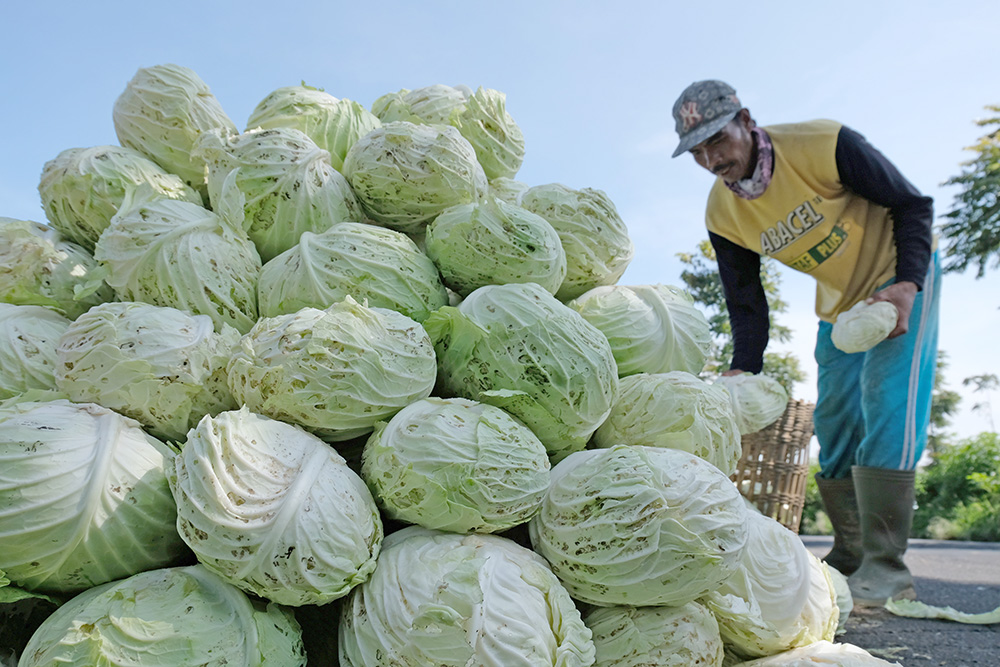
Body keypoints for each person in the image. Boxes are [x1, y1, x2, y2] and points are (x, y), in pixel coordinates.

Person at [671, 80, 939, 606]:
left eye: (717, 140)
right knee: (835, 419)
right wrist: (742, 369)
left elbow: (913, 204)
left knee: (884, 401)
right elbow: (746, 301)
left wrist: (907, 284)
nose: (710, 158)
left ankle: (886, 567)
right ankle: (849, 550)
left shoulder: (822, 144)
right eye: (697, 150)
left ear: (746, 121)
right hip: (839, 306)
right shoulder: (723, 214)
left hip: (898, 277)